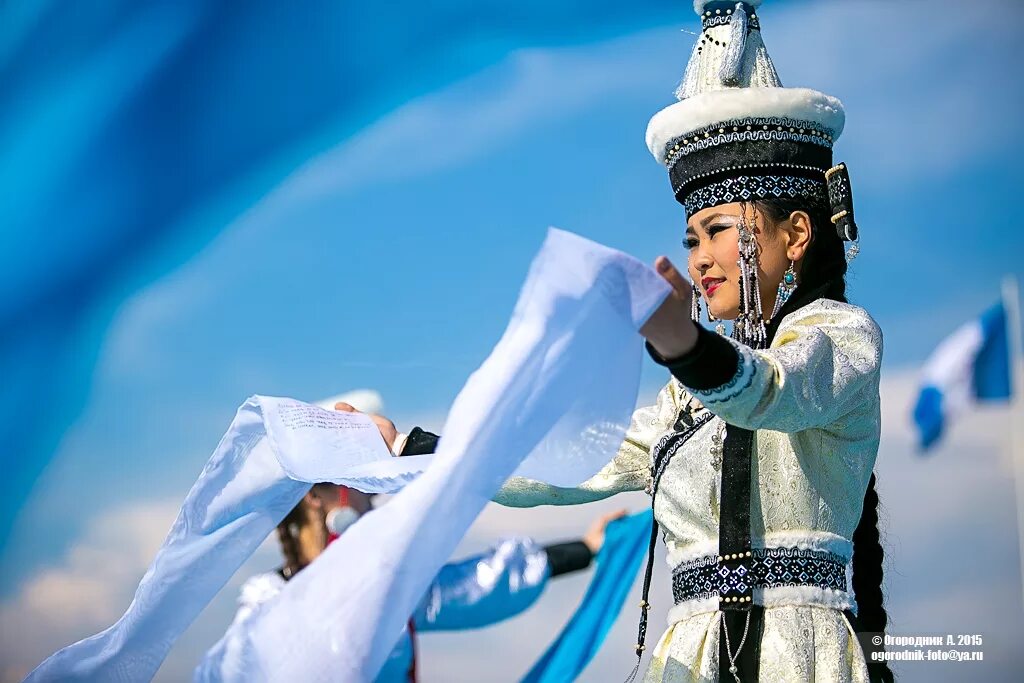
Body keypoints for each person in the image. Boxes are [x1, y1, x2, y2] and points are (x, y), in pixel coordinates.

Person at [381, 2, 893, 681]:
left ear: (795, 233)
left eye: (718, 230)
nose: (700, 257)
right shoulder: (682, 408)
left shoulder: (840, 339)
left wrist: (683, 345)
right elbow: (563, 465)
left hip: (800, 658)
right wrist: (411, 449)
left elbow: (773, 390)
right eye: (691, 238)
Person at [198, 463, 627, 682]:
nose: (373, 497)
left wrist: (586, 549)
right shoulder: (267, 600)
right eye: (362, 484)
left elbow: (484, 584)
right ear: (316, 496)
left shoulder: (388, 589)